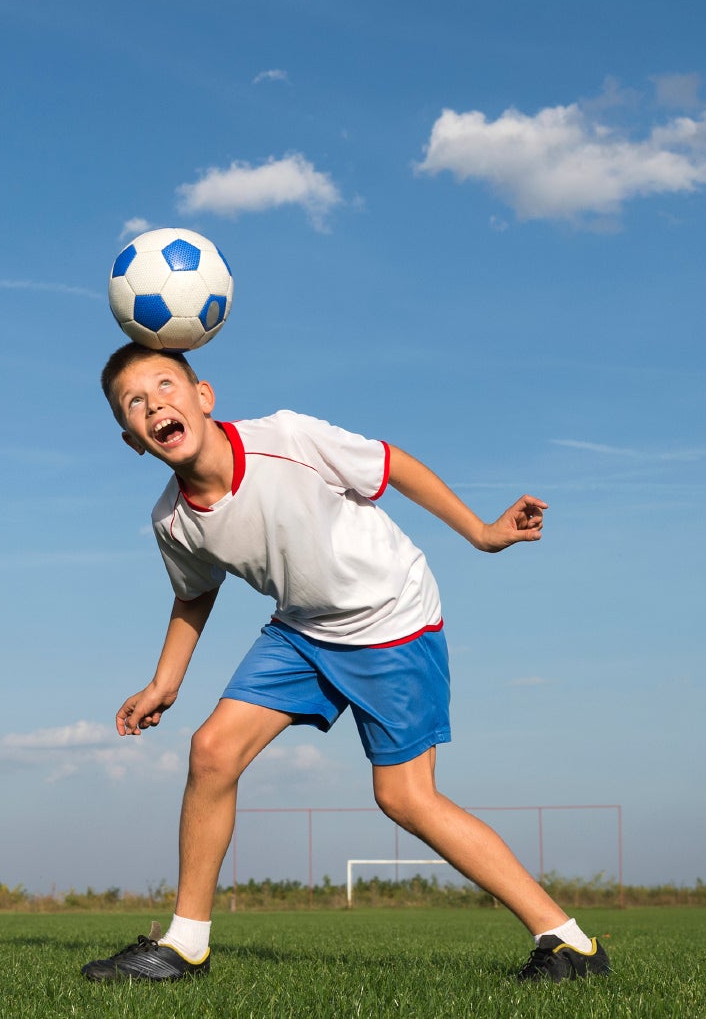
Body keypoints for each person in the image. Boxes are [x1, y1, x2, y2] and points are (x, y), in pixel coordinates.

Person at [81, 342, 610, 985]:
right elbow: (194, 591)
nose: (154, 403)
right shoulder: (172, 519)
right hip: (303, 629)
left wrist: (481, 533)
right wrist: (165, 682)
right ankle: (185, 945)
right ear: (133, 439)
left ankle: (568, 943)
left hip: (391, 619)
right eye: (134, 403)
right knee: (212, 750)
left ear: (204, 397)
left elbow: (391, 464)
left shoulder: (288, 438)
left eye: (166, 384)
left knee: (405, 798)